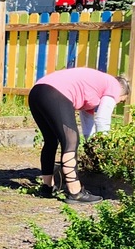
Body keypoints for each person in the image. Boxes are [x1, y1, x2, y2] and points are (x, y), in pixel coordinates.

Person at [27, 67, 129, 203]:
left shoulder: (96, 88)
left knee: (51, 140)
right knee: (71, 141)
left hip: (37, 92)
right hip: (55, 93)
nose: (118, 103)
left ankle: (47, 187)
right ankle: (75, 192)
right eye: (121, 101)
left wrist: (92, 144)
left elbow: (88, 122)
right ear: (122, 93)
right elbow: (102, 119)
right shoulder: (114, 87)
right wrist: (105, 145)